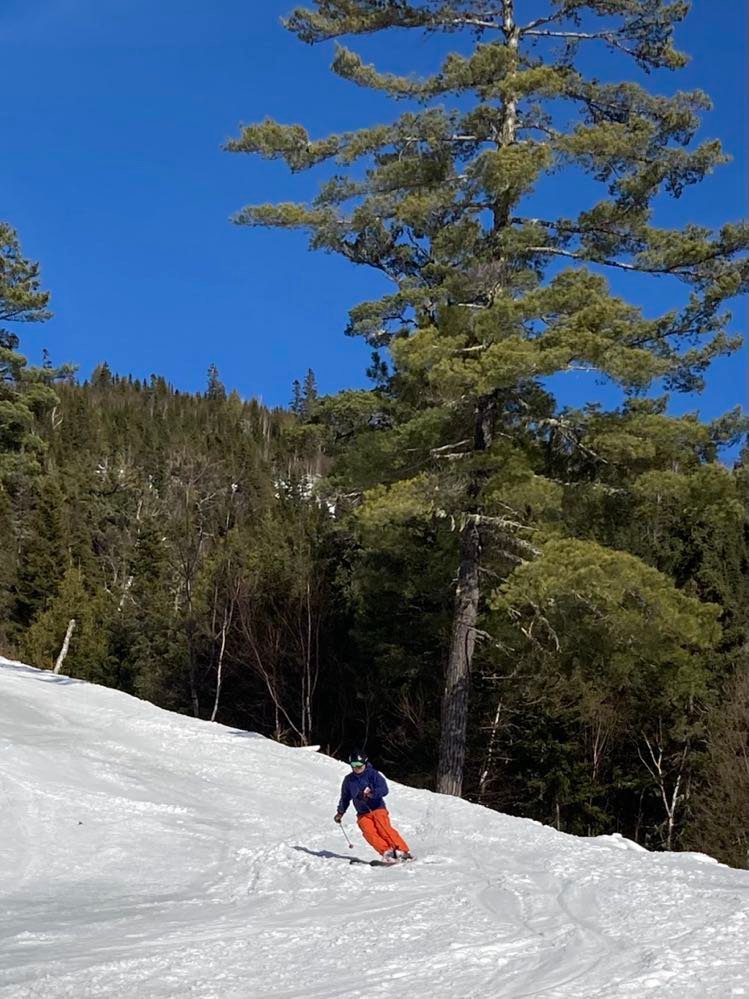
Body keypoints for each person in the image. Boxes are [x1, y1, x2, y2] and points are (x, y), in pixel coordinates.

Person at [334, 750, 412, 863]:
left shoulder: (373, 775)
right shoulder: (349, 780)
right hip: (362, 813)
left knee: (383, 829)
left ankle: (402, 851)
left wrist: (372, 794)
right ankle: (387, 852)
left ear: (365, 763)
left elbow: (384, 789)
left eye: (360, 765)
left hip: (377, 809)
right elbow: (345, 797)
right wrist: (340, 812)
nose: (357, 768)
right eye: (354, 765)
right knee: (368, 833)